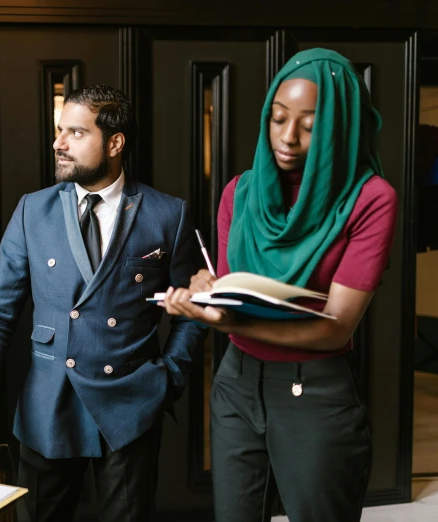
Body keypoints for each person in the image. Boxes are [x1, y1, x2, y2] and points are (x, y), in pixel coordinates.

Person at [162, 48, 398, 522]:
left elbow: (335, 329)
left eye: (309, 126)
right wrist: (209, 288)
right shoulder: (240, 191)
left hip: (316, 391)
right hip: (236, 384)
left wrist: (229, 324)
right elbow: (232, 286)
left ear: (339, 127)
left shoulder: (371, 200)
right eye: (277, 119)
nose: (287, 138)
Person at [0, 85, 206, 521]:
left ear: (114, 142)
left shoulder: (168, 214)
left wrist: (169, 377)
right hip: (47, 405)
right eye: (58, 131)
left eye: (75, 132)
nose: (58, 143)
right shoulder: (33, 210)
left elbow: (196, 307)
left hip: (131, 407)